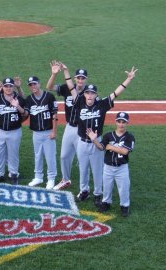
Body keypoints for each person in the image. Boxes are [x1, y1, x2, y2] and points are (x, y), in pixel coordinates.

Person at [63, 64, 138, 206]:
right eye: (87, 93)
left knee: (97, 169)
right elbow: (71, 87)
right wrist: (66, 71)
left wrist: (129, 79)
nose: (90, 95)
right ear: (84, 94)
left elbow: (116, 93)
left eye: (92, 93)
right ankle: (84, 191)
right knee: (83, 168)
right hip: (82, 142)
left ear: (96, 95)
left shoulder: (102, 105)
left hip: (97, 141)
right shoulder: (79, 102)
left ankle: (98, 194)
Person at [46, 61, 89, 190]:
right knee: (64, 155)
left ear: (86, 79)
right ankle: (65, 179)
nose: (80, 80)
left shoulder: (90, 92)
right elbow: (49, 87)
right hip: (70, 127)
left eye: (83, 78)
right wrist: (54, 74)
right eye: (79, 78)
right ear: (75, 78)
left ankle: (84, 188)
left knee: (83, 159)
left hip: (84, 129)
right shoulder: (66, 88)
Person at [87, 112, 135, 217]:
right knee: (107, 187)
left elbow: (125, 152)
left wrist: (111, 147)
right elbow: (101, 147)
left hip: (122, 168)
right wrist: (94, 140)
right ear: (116, 122)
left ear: (127, 123)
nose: (121, 124)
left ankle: (124, 206)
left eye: (123, 122)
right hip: (108, 167)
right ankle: (106, 203)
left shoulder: (129, 137)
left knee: (124, 188)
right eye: (119, 121)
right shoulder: (108, 135)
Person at [0, 78, 28, 185]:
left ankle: (13, 174)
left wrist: (17, 106)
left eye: (10, 86)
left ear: (13, 87)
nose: (8, 88)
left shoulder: (19, 98)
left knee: (13, 154)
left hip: (15, 131)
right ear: (2, 87)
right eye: (6, 86)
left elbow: (25, 113)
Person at [25, 76, 58, 189]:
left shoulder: (49, 96)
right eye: (30, 85)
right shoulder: (29, 99)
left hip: (48, 131)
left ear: (39, 84)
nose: (33, 86)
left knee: (50, 157)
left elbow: (54, 115)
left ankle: (51, 178)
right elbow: (25, 113)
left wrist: (54, 131)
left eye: (34, 84)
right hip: (36, 132)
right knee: (38, 155)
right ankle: (38, 176)